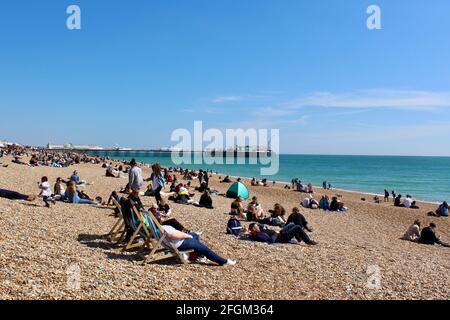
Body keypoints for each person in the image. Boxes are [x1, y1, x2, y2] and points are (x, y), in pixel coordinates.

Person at [161, 225, 237, 266]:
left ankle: (198, 256)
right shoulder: (163, 228)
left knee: (195, 234)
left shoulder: (158, 228)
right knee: (204, 249)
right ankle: (223, 261)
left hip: (175, 242)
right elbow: (173, 235)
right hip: (180, 243)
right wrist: (186, 236)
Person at [248, 223, 318, 246]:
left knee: (291, 224)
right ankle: (308, 241)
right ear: (254, 229)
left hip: (280, 233)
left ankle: (299, 238)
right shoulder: (259, 235)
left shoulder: (258, 231)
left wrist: (249, 232)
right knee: (297, 227)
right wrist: (276, 233)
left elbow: (261, 224)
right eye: (256, 226)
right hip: (282, 237)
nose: (258, 226)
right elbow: (271, 240)